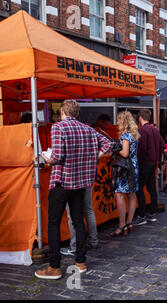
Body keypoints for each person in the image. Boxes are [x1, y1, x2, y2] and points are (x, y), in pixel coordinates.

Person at [35, 100, 112, 280]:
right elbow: (109, 144)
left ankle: (54, 267)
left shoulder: (58, 127)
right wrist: (94, 157)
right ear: (77, 113)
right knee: (78, 221)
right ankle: (80, 261)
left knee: (54, 223)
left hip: (62, 181)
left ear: (62, 112)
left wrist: (47, 158)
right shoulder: (88, 129)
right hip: (80, 182)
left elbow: (57, 156)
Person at [133, 109, 165, 226]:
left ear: (140, 117)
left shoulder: (141, 130)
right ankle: (152, 212)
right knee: (152, 188)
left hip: (145, 163)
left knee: (139, 188)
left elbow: (142, 149)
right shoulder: (154, 130)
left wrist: (139, 160)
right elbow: (162, 145)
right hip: (153, 163)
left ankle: (142, 215)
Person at [110, 111, 140, 236]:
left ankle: (122, 225)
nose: (117, 123)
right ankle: (129, 223)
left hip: (125, 169)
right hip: (134, 167)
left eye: (118, 120)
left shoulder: (125, 136)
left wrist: (116, 148)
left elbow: (125, 153)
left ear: (124, 122)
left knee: (120, 195)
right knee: (132, 195)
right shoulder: (134, 135)